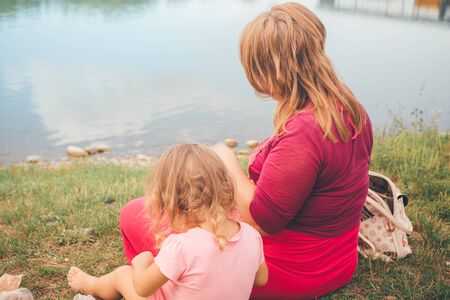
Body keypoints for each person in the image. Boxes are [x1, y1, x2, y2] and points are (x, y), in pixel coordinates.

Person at [210, 2, 373, 299]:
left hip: (293, 269)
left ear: (271, 69)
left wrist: (225, 161)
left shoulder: (305, 132)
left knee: (138, 217)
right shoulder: (350, 109)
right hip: (338, 260)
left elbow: (265, 221)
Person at [67, 144, 268, 300]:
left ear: (171, 202)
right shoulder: (251, 235)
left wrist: (141, 263)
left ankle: (91, 284)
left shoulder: (181, 246)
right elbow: (261, 279)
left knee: (123, 274)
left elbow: (142, 287)